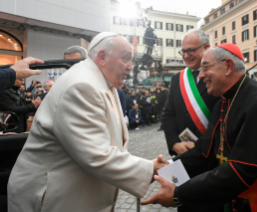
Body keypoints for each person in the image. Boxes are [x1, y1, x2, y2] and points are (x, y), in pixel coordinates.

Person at [142, 44, 257, 211]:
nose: (201, 75)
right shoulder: (224, 101)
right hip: (246, 201)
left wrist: (178, 195)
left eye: (206, 68)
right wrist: (166, 168)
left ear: (227, 66)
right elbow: (206, 152)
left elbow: (242, 170)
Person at [7, 32, 167, 212]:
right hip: (49, 199)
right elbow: (97, 154)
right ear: (102, 57)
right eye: (126, 59)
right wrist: (149, 169)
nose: (131, 67)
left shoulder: (102, 81)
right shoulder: (81, 85)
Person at [162, 29, 219, 157]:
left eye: (191, 50)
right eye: (183, 51)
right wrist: (174, 143)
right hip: (182, 152)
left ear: (206, 48)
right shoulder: (177, 79)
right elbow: (168, 114)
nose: (186, 56)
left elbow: (223, 118)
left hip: (211, 153)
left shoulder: (218, 76)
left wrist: (201, 147)